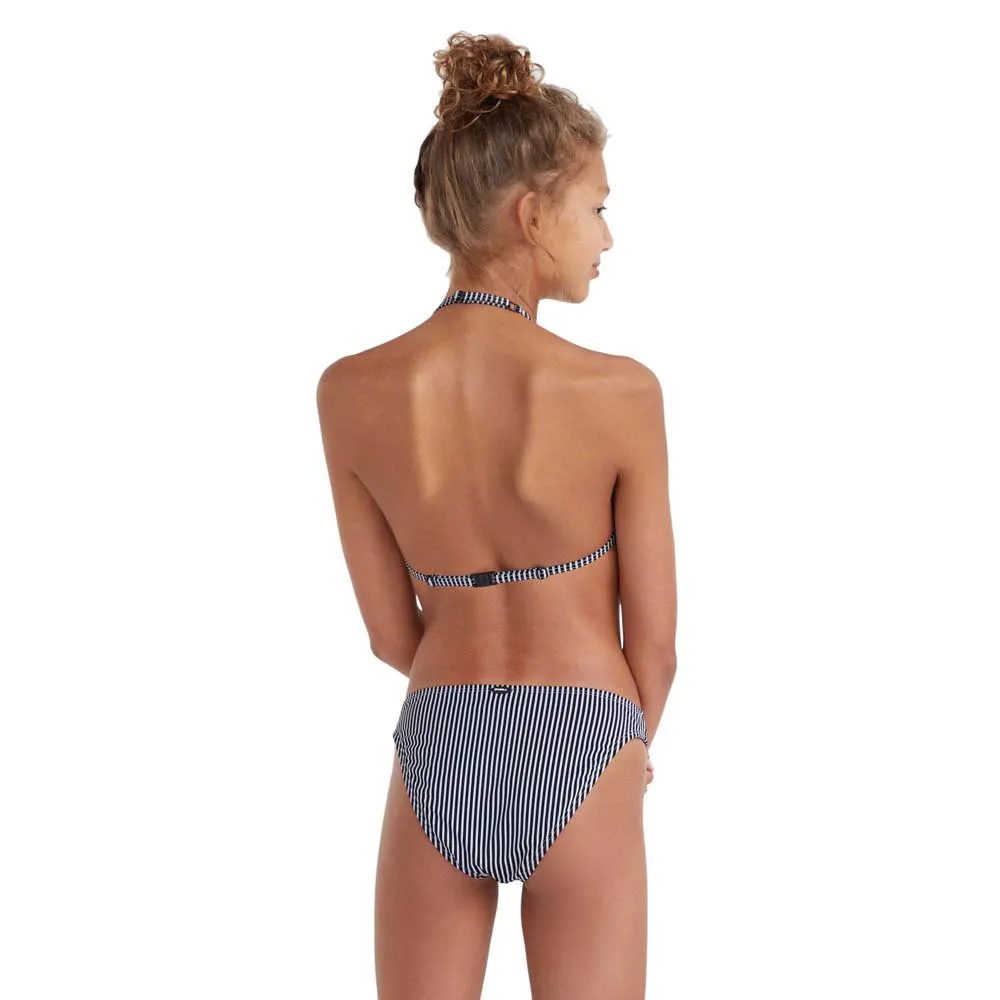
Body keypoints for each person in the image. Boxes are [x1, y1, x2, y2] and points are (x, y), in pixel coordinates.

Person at [316, 30, 678, 1000]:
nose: (607, 238)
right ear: (531, 214)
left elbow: (390, 633)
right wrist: (625, 752)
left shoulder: (350, 391)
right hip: (585, 736)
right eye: (597, 208)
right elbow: (655, 644)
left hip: (440, 736)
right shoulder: (619, 392)